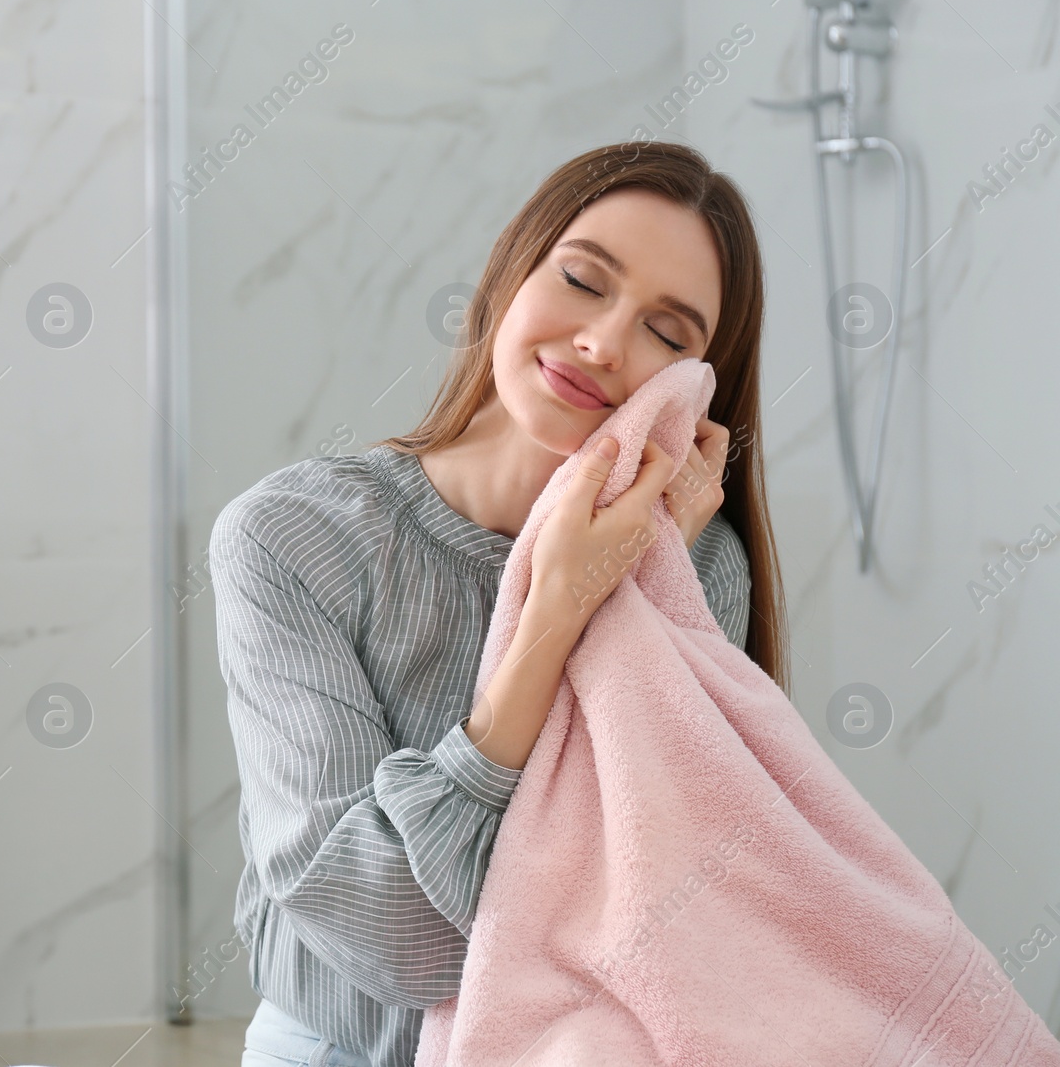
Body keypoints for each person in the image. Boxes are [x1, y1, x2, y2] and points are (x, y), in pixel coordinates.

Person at [209, 140, 791, 1067]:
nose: (603, 343)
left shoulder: (693, 563)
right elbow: (399, 944)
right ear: (510, 271)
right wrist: (554, 612)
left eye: (670, 335)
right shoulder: (291, 539)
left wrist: (641, 591)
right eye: (582, 279)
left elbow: (663, 903)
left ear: (697, 387)